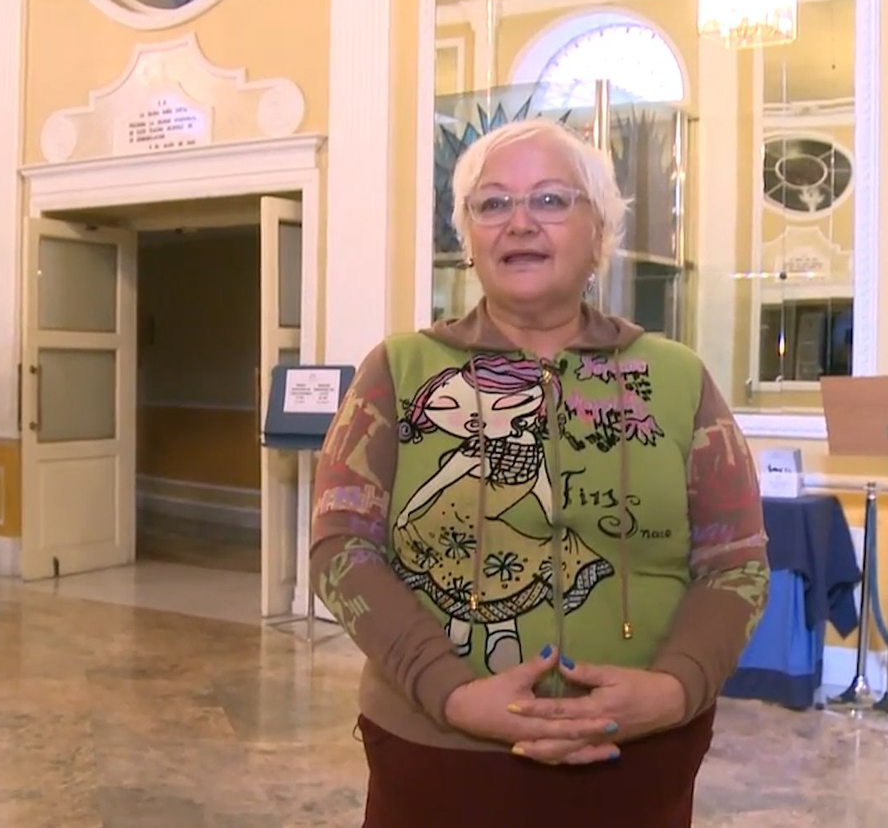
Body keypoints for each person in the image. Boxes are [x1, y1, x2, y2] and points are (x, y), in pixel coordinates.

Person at [309, 118, 769, 826]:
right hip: (438, 757)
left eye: (551, 200)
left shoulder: (676, 376)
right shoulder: (399, 370)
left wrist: (674, 691)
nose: (519, 223)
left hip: (637, 764)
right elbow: (343, 550)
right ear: (469, 238)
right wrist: (453, 694)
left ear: (600, 233)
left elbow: (734, 563)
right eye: (493, 204)